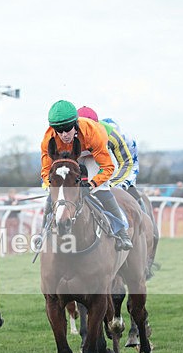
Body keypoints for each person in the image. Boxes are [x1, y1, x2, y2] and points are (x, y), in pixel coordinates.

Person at [40, 100, 133, 250]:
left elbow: (107, 167)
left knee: (101, 189)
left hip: (93, 154)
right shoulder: (48, 139)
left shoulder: (92, 132)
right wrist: (54, 186)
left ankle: (122, 233)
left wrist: (91, 185)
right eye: (59, 131)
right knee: (55, 192)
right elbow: (45, 171)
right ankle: (42, 233)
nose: (64, 135)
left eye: (67, 129)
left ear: (75, 124)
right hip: (70, 156)